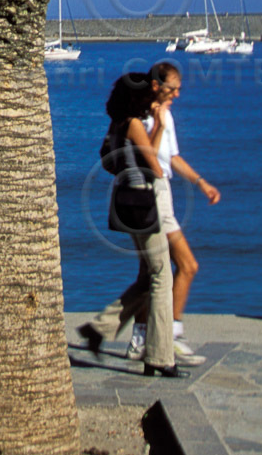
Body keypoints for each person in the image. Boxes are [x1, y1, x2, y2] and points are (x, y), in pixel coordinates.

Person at [77, 72, 186, 378]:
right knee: (162, 275)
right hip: (144, 201)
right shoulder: (135, 124)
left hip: (124, 200)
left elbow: (108, 162)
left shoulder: (116, 125)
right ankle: (160, 357)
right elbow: (155, 166)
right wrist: (161, 128)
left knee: (152, 273)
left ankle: (100, 328)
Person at [126, 61, 218, 366]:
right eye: (173, 88)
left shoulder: (166, 115)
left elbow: (172, 157)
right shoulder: (142, 118)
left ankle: (140, 337)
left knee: (149, 272)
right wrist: (159, 124)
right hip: (150, 196)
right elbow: (147, 158)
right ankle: (173, 335)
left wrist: (201, 183)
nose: (177, 94)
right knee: (187, 265)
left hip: (162, 194)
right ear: (156, 85)